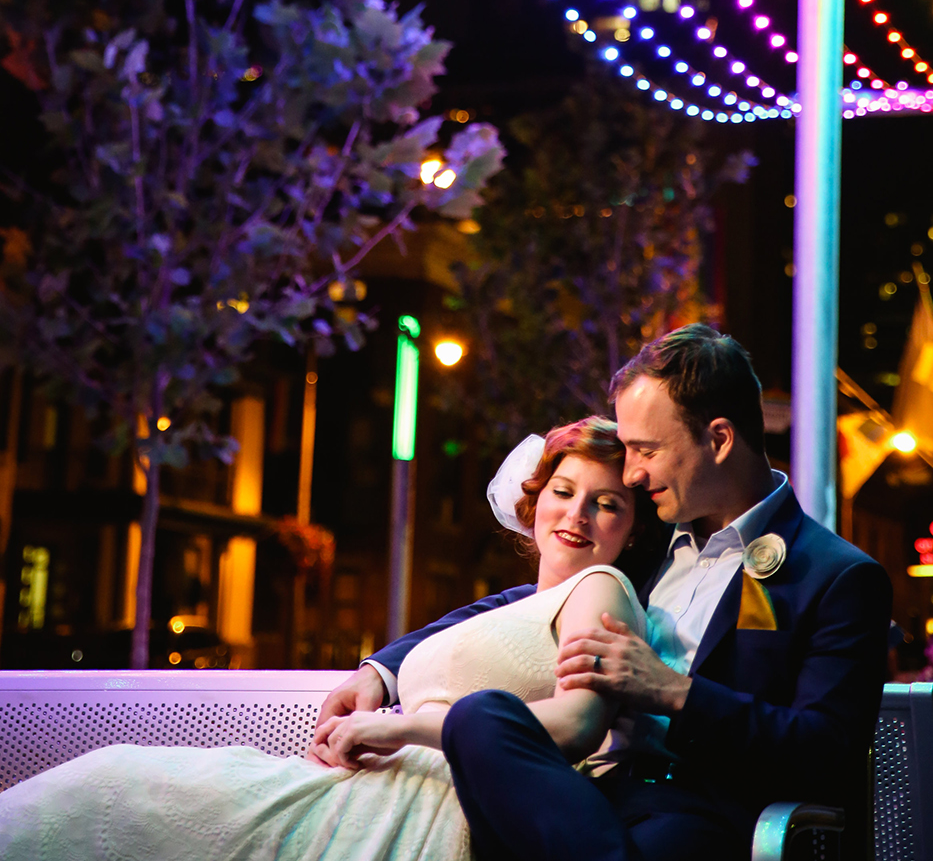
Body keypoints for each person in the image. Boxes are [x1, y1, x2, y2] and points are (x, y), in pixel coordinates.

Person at [321, 324, 892, 861]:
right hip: (582, 796)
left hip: (702, 811)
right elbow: (529, 604)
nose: (633, 474)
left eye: (647, 450)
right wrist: (381, 672)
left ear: (719, 439)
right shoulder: (646, 543)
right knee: (483, 718)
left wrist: (673, 692)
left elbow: (825, 752)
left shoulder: (836, 577)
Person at [0, 416, 654, 861]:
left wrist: (400, 729)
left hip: (427, 807)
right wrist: (376, 676)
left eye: (606, 503)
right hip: (375, 788)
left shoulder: (600, 588)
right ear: (534, 501)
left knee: (115, 787)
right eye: (563, 491)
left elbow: (576, 722)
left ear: (631, 529)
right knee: (111, 786)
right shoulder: (521, 603)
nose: (576, 514)